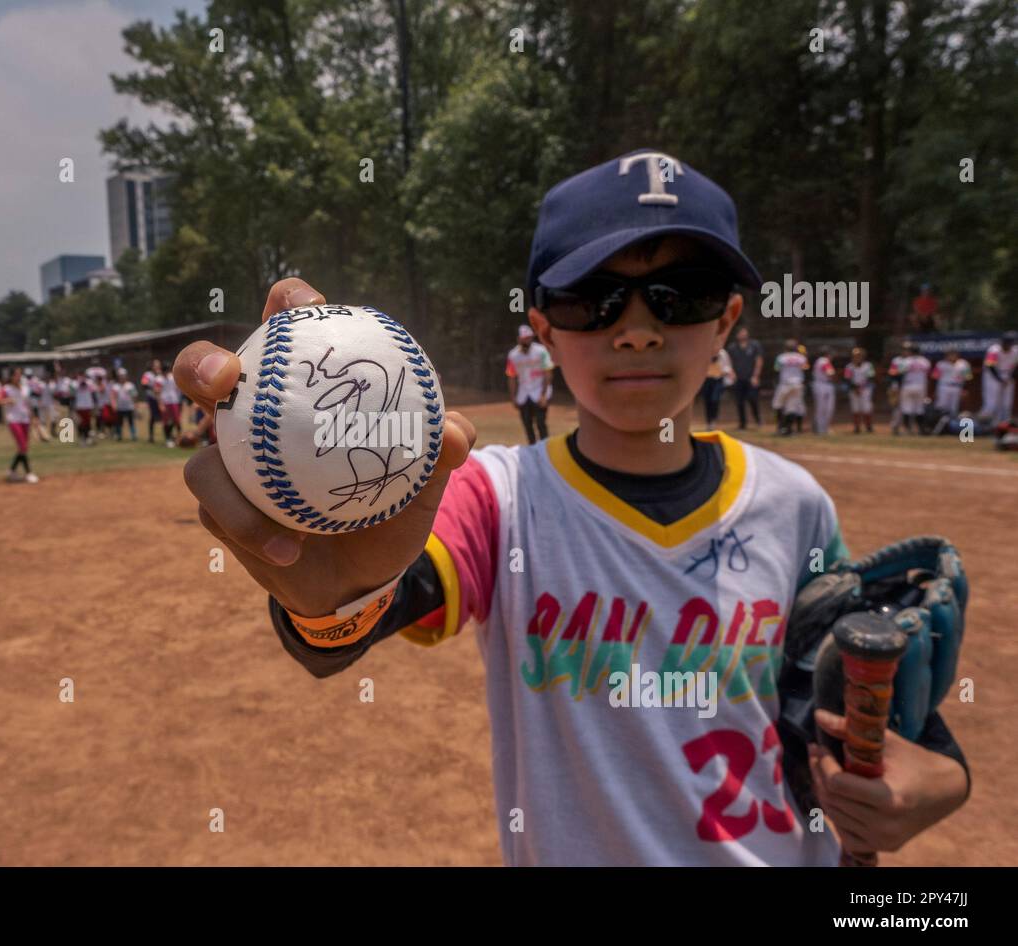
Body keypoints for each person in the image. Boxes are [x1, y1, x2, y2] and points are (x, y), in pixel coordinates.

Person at [174, 151, 968, 865]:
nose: (635, 332)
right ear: (545, 327)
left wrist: (939, 769)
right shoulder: (498, 495)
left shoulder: (794, 504)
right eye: (596, 299)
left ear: (727, 318)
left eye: (679, 295)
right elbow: (361, 613)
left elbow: (840, 681)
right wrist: (333, 596)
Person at [506, 324, 554, 444]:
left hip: (539, 391)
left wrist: (543, 395)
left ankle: (545, 448)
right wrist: (513, 397)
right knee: (527, 424)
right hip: (523, 393)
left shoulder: (541, 351)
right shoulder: (513, 355)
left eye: (529, 338)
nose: (527, 340)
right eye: (524, 338)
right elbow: (511, 377)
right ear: (519, 339)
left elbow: (548, 372)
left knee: (540, 423)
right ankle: (532, 449)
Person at [0, 367, 40, 483]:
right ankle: (29, 473)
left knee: (23, 448)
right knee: (23, 446)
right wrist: (6, 400)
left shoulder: (24, 388)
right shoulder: (6, 389)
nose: (18, 376)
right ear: (11, 376)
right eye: (16, 374)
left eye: (20, 374)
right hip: (13, 419)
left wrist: (33, 417)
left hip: (25, 419)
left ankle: (11, 471)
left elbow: (27, 404)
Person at [889, 341, 931, 435]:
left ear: (911, 351)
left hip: (907, 386)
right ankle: (921, 430)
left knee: (907, 409)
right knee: (919, 409)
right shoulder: (925, 361)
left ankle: (908, 430)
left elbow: (897, 373)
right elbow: (928, 372)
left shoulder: (906, 361)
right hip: (921, 387)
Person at [725, 326, 763, 430]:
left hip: (751, 377)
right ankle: (742, 423)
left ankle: (758, 419)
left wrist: (756, 376)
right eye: (740, 333)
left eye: (744, 332)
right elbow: (728, 362)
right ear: (737, 335)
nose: (743, 334)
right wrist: (731, 373)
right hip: (738, 378)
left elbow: (759, 360)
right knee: (739, 402)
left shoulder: (754, 345)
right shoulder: (732, 347)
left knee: (753, 399)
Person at [771, 339, 808, 435]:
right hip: (797, 384)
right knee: (791, 408)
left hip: (784, 384)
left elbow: (776, 368)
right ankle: (788, 429)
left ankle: (780, 427)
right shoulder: (801, 358)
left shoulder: (781, 357)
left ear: (785, 348)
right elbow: (805, 367)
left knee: (777, 405)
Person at [981, 331, 1017, 425]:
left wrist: (1010, 377)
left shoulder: (1015, 351)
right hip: (993, 376)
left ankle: (1003, 424)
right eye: (1007, 343)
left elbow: (1017, 366)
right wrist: (1000, 379)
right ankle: (987, 424)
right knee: (992, 402)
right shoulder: (993, 350)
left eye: (1011, 343)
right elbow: (990, 366)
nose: (1009, 345)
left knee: (1006, 403)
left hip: (1008, 375)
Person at [931, 348, 971, 421]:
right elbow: (934, 377)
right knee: (941, 407)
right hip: (944, 386)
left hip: (957, 387)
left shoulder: (963, 363)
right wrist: (935, 390)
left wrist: (965, 389)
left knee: (954, 408)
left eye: (953, 354)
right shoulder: (941, 364)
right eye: (949, 354)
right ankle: (940, 426)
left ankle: (951, 425)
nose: (952, 356)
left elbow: (968, 377)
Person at [843, 347, 876, 433]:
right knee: (855, 409)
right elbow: (847, 379)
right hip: (853, 390)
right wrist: (855, 388)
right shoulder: (849, 366)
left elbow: (871, 377)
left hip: (866, 389)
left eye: (859, 356)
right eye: (855, 356)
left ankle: (868, 427)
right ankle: (857, 427)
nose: (857, 357)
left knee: (867, 408)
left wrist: (861, 387)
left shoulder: (868, 366)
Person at [699, 347, 733, 430]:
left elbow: (727, 366)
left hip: (717, 380)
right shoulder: (705, 351)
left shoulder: (722, 353)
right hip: (707, 380)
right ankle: (709, 421)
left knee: (714, 399)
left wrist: (726, 373)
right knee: (707, 401)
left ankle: (713, 420)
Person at [810, 347, 837, 435]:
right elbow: (830, 372)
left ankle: (821, 428)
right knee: (824, 408)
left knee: (823, 408)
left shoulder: (819, 361)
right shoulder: (824, 360)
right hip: (823, 385)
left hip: (821, 384)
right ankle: (821, 429)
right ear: (827, 354)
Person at [141, 360, 165, 444]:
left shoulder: (161, 374)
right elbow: (143, 384)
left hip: (162, 398)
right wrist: (153, 389)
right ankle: (151, 436)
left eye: (158, 365)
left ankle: (167, 435)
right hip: (152, 397)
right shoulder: (147, 375)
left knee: (164, 416)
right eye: (155, 365)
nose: (157, 367)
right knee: (153, 417)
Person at [159, 363, 182, 447]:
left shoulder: (172, 377)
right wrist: (160, 403)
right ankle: (168, 439)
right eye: (164, 370)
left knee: (177, 420)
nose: (166, 372)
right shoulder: (159, 379)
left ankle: (179, 438)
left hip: (174, 401)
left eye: (167, 370)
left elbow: (178, 388)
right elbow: (157, 392)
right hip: (165, 402)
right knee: (166, 421)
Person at [112, 368, 138, 440]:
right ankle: (119, 435)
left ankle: (133, 435)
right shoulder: (115, 386)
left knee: (131, 422)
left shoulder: (130, 385)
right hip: (120, 407)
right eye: (120, 376)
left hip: (129, 407)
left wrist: (135, 404)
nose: (122, 377)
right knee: (119, 423)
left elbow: (134, 395)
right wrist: (114, 404)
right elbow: (113, 396)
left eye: (123, 375)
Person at [72, 372, 96, 446]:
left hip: (88, 406)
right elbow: (72, 395)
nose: (82, 378)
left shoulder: (90, 383)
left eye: (83, 376)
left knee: (87, 423)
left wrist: (94, 405)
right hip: (79, 407)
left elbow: (93, 394)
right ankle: (82, 438)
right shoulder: (75, 384)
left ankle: (88, 438)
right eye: (80, 377)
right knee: (80, 424)